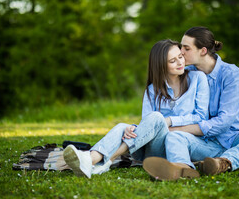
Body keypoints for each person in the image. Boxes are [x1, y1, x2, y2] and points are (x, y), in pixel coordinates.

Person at [143, 26, 239, 180]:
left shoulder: (232, 75)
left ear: (203, 51)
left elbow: (224, 122)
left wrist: (175, 128)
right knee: (175, 137)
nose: (180, 52)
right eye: (181, 47)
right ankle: (182, 169)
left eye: (186, 48)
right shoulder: (188, 74)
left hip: (236, 139)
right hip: (206, 143)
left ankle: (226, 162)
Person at [63, 39, 210, 179]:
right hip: (153, 150)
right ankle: (91, 158)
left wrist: (170, 120)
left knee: (157, 117)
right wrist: (134, 129)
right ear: (161, 65)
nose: (180, 62)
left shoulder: (197, 79)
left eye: (180, 57)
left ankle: (99, 160)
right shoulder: (152, 90)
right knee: (123, 127)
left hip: (176, 147)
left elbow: (201, 117)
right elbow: (147, 122)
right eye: (173, 61)